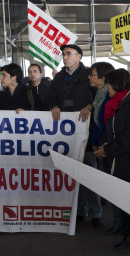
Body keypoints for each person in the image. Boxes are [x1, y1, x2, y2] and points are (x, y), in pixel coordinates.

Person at [93, 69, 130, 250]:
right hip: (119, 159)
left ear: (116, 84)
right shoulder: (118, 102)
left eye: (109, 83)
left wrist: (108, 150)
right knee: (125, 201)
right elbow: (110, 128)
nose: (107, 86)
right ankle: (129, 235)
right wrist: (103, 146)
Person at [50, 44, 102, 230]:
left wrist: (90, 105)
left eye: (69, 54)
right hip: (66, 132)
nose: (65, 57)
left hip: (86, 130)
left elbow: (99, 96)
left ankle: (96, 213)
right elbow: (52, 96)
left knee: (90, 172)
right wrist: (54, 106)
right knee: (74, 174)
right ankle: (81, 212)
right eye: (63, 54)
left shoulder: (89, 74)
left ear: (79, 56)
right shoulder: (58, 78)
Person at [89, 62, 122, 233]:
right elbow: (97, 121)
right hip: (101, 145)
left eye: (92, 74)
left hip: (109, 146)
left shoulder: (111, 97)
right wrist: (95, 142)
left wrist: (103, 145)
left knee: (114, 183)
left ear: (103, 78)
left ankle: (121, 224)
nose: (89, 77)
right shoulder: (99, 94)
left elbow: (107, 124)